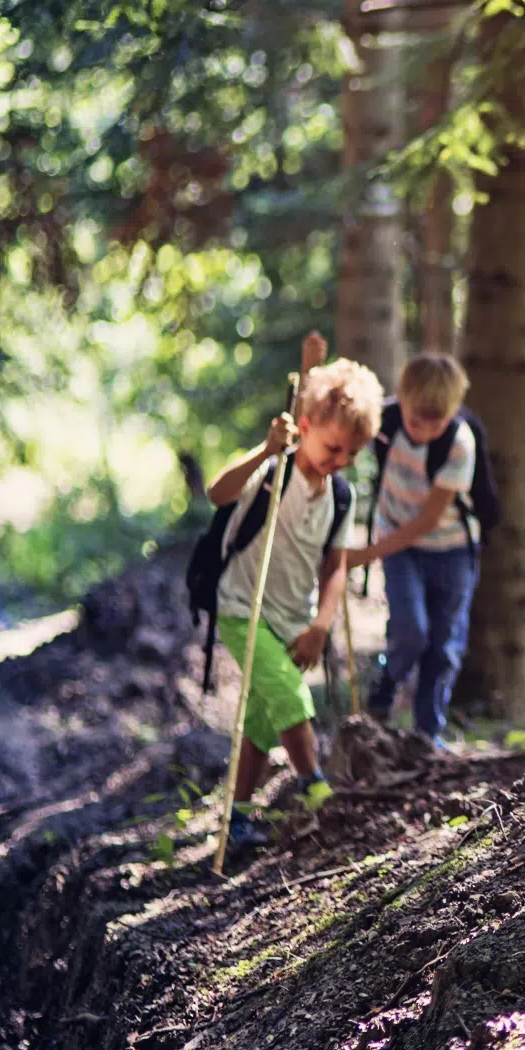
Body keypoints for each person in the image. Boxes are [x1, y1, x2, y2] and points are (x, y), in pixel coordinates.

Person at [206, 336, 383, 844]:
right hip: (244, 607)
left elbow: (335, 566)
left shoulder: (341, 496)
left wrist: (320, 625)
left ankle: (237, 816)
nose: (340, 459)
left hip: (294, 618)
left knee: (263, 721)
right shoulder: (273, 469)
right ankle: (317, 790)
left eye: (352, 453)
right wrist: (265, 448)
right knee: (289, 695)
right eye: (332, 448)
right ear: (304, 429)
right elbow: (217, 493)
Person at [348, 354, 480, 750]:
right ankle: (385, 683)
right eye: (415, 421)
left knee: (443, 646)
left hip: (453, 551)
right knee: (410, 630)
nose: (423, 431)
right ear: (400, 400)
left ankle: (427, 734)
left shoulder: (459, 442)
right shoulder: (383, 422)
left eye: (435, 423)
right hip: (400, 547)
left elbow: (427, 521)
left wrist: (364, 555)